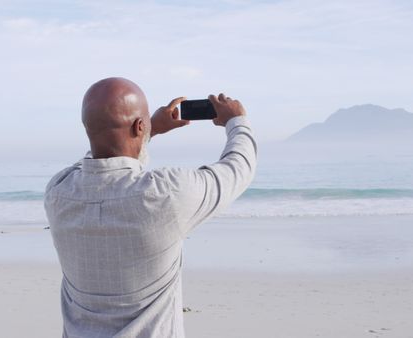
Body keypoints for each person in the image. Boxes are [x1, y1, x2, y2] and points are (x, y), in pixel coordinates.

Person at [44, 77, 257, 337]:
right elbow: (237, 168)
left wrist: (147, 129)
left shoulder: (59, 193)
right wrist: (237, 121)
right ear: (139, 125)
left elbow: (97, 163)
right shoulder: (165, 194)